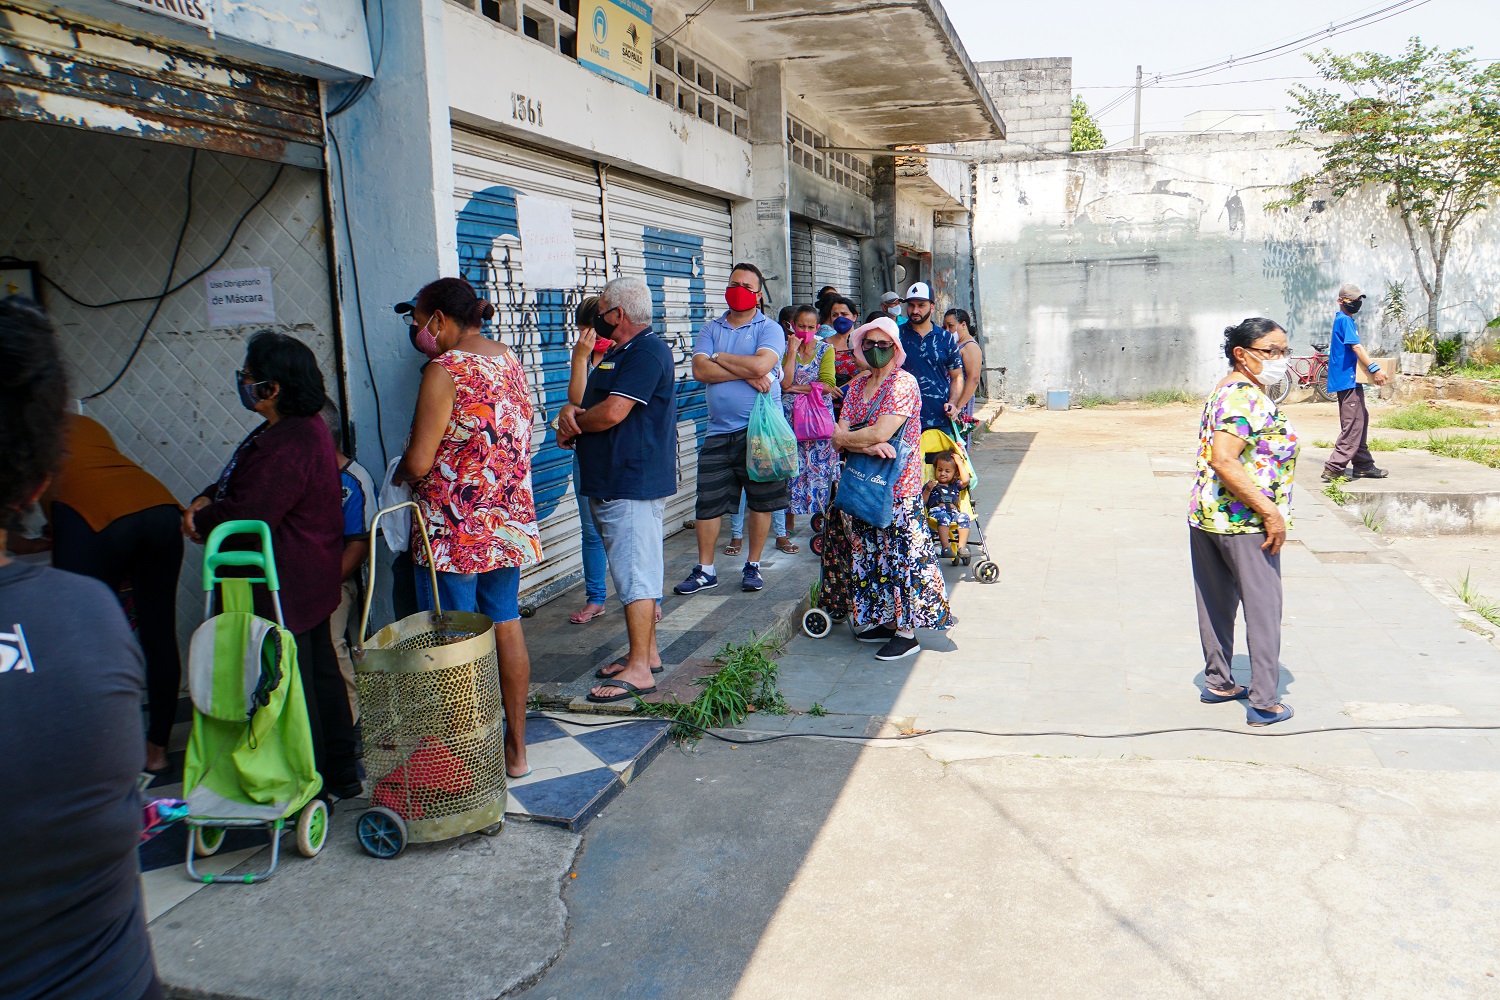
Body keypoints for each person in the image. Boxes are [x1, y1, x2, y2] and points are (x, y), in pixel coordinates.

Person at [1, 297, 165, 1000]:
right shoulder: (89, 620)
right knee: (156, 631)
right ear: (36, 477)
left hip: (108, 529)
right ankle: (160, 747)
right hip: (118, 982)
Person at [183, 331, 362, 799]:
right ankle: (339, 773)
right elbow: (238, 483)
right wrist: (208, 494)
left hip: (286, 584)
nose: (243, 383)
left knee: (296, 685)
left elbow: (247, 515)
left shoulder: (289, 442)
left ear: (272, 387)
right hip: (305, 579)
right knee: (318, 675)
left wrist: (201, 519)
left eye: (248, 376)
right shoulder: (293, 430)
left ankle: (311, 779)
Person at [394, 277, 541, 779]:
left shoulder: (445, 370)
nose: (417, 331)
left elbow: (418, 461)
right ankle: (516, 751)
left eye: (417, 321)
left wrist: (399, 475)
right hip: (505, 523)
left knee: (456, 641)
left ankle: (466, 760)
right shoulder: (508, 360)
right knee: (504, 622)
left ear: (438, 319)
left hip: (452, 529)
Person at [36, 413, 184, 772]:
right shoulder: (86, 424)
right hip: (159, 509)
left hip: (93, 516)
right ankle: (157, 752)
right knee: (159, 636)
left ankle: (101, 752)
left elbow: (51, 504)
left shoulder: (24, 427)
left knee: (85, 644)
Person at [557, 276, 678, 703]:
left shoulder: (646, 351)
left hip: (631, 481)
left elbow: (611, 412)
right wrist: (576, 415)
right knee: (634, 569)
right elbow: (592, 404)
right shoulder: (623, 352)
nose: (600, 318)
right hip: (615, 479)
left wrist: (572, 424)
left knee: (636, 576)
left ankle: (641, 671)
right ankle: (645, 654)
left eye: (604, 311)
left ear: (618, 315)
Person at [1189, 317, 1299, 727]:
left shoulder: (1228, 389)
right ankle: (1265, 701)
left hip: (1208, 516)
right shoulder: (1243, 397)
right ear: (1242, 353)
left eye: (1285, 351)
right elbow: (1223, 459)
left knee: (1215, 603)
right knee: (1264, 608)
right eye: (1272, 351)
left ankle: (1219, 681)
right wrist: (1270, 512)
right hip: (1245, 522)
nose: (1281, 359)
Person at [832, 317, 952, 661]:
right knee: (870, 552)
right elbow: (840, 436)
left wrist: (857, 439)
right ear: (860, 348)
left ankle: (907, 632)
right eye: (869, 344)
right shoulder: (857, 386)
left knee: (902, 556)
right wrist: (865, 446)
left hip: (899, 487)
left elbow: (879, 432)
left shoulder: (904, 384)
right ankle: (884, 620)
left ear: (895, 348)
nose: (876, 350)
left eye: (884, 345)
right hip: (864, 483)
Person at [675, 262, 789, 596]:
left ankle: (753, 565)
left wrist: (720, 357)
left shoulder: (769, 329)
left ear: (758, 295)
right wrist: (746, 372)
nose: (738, 290)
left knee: (761, 501)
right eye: (733, 283)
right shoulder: (710, 328)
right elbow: (699, 370)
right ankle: (705, 569)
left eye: (746, 286)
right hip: (717, 432)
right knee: (708, 502)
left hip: (760, 432)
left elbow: (762, 365)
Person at [320, 399, 374, 723]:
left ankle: (350, 719)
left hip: (338, 580)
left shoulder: (352, 481)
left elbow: (360, 544)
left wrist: (323, 586)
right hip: (297, 579)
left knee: (327, 638)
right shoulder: (302, 474)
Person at [566, 296, 611, 624]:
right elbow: (578, 400)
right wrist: (581, 358)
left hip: (619, 454)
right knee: (590, 531)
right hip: (585, 452)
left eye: (591, 331)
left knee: (629, 530)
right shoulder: (582, 353)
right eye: (583, 332)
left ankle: (646, 599)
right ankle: (596, 598)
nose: (588, 338)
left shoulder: (625, 352)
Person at [1322, 282, 1390, 482]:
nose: (1357, 303)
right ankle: (1334, 467)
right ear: (1341, 301)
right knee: (1353, 424)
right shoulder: (1344, 320)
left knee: (1361, 419)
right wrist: (1374, 369)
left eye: (1359, 300)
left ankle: (1363, 465)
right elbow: (1357, 348)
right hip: (1346, 380)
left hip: (1350, 380)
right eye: (1353, 300)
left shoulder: (1344, 320)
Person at [782, 303, 840, 534]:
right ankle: (787, 526)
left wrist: (796, 388)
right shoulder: (786, 349)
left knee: (822, 471)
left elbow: (828, 385)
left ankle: (823, 520)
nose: (805, 331)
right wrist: (791, 353)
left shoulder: (826, 350)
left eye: (810, 327)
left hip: (817, 421)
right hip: (791, 420)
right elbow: (784, 382)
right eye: (800, 326)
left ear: (817, 328)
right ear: (792, 326)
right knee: (790, 471)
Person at [898, 281, 965, 432]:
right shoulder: (895, 336)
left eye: (921, 305)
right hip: (901, 420)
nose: (915, 310)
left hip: (939, 418)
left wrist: (953, 404)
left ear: (932, 307)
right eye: (911, 305)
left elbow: (957, 376)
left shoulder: (946, 338)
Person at [923, 451, 971, 559]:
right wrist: (928, 489)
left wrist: (960, 463)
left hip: (954, 513)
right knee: (944, 517)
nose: (943, 473)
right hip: (937, 513)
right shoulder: (931, 485)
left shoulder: (955, 485)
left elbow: (966, 480)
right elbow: (923, 501)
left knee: (964, 517)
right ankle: (946, 547)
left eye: (947, 471)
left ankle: (961, 547)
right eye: (939, 470)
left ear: (955, 474)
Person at [944, 308, 985, 421]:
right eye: (944, 327)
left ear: (963, 325)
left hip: (961, 403)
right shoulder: (955, 344)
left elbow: (973, 379)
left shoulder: (970, 347)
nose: (947, 331)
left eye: (950, 326)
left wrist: (958, 406)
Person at [821, 295, 861, 390]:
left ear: (854, 317)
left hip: (858, 397)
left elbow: (871, 371)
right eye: (835, 315)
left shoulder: (864, 342)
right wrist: (828, 387)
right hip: (829, 398)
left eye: (844, 314)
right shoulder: (822, 345)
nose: (839, 318)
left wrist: (845, 388)